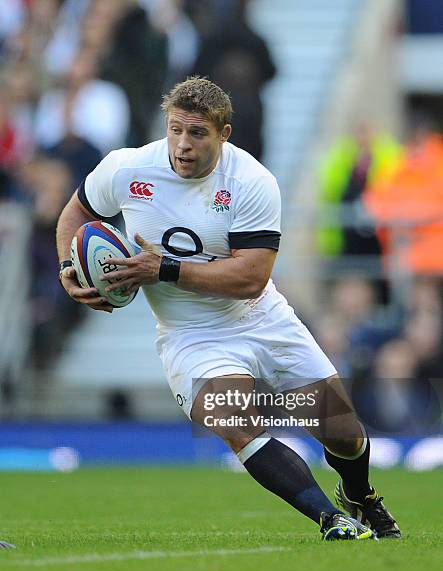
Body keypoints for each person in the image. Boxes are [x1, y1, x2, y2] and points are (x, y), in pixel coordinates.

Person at [56, 77, 400, 541]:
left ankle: (359, 496)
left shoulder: (252, 182)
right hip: (189, 335)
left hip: (262, 320)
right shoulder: (126, 168)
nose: (182, 144)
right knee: (238, 423)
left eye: (197, 133)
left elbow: (249, 278)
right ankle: (330, 519)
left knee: (344, 433)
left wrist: (163, 270)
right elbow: (75, 213)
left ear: (225, 134)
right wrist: (69, 269)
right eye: (175, 129)